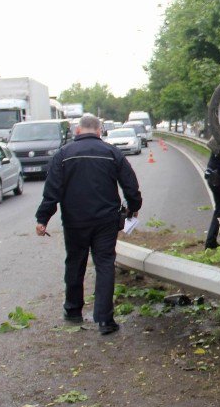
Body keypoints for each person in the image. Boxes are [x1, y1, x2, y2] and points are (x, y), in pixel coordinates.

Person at [35, 114, 142, 335]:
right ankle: (105, 320)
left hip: (75, 221)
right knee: (104, 265)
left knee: (75, 263)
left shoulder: (63, 155)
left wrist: (43, 218)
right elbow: (130, 184)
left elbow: (52, 190)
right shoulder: (112, 153)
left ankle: (73, 311)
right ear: (100, 130)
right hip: (106, 221)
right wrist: (133, 206)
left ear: (77, 131)